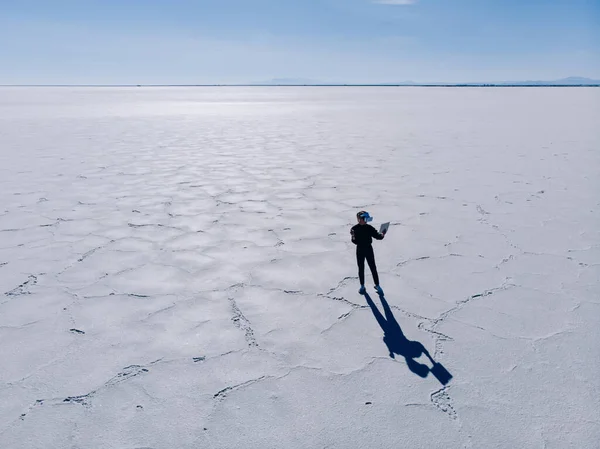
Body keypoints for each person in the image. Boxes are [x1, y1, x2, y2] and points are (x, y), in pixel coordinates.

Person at [350, 211, 386, 295]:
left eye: (366, 219)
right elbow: (354, 241)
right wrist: (353, 236)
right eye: (365, 219)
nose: (366, 221)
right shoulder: (354, 229)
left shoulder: (369, 228)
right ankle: (362, 286)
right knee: (361, 268)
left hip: (368, 249)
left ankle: (377, 285)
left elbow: (378, 236)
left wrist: (382, 234)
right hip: (360, 250)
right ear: (359, 219)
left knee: (373, 267)